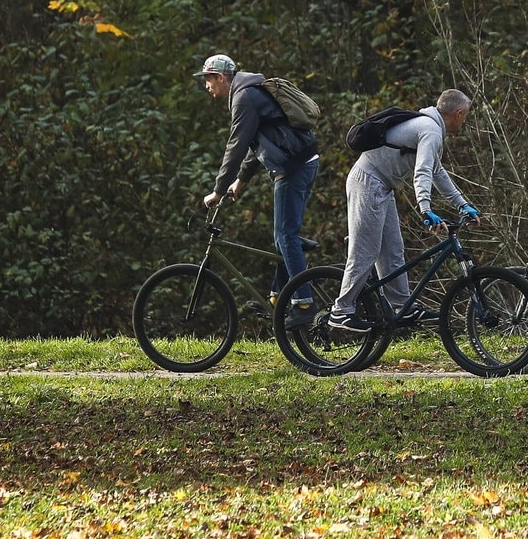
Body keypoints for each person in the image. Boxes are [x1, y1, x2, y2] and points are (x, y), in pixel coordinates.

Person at [327, 89, 482, 333]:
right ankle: (341, 311)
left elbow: (436, 172)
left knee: (393, 252)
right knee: (365, 251)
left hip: (381, 186)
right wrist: (425, 209)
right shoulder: (430, 130)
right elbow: (422, 172)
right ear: (459, 113)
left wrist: (462, 204)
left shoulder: (429, 129)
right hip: (367, 182)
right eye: (466, 117)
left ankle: (402, 306)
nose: (465, 121)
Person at [196, 53, 320, 323]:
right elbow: (260, 141)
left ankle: (304, 305)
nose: (206, 86)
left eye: (207, 79)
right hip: (299, 162)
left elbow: (237, 145)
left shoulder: (244, 97)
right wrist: (241, 180)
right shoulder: (248, 92)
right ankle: (278, 296)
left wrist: (219, 190)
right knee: (284, 236)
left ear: (220, 77)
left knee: (285, 236)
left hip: (293, 167)